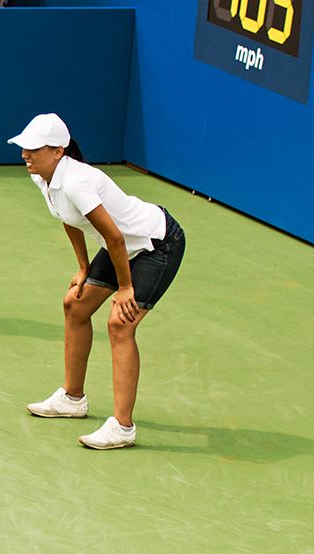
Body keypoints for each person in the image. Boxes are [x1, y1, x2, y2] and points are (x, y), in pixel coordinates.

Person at [10, 113, 187, 450]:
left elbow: (116, 238)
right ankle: (72, 399)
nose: (25, 155)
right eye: (24, 148)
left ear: (58, 151)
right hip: (121, 246)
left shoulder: (77, 182)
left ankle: (122, 427)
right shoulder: (44, 178)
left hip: (156, 244)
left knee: (120, 324)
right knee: (75, 305)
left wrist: (125, 288)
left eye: (33, 148)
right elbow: (68, 218)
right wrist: (82, 267)